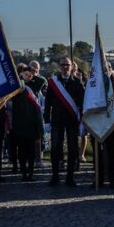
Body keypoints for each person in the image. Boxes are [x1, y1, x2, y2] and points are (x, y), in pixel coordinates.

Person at [44, 57, 85, 187]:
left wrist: (83, 119)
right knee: (55, 148)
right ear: (59, 67)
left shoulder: (77, 83)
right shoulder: (53, 83)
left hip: (72, 121)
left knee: (73, 149)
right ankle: (55, 176)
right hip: (57, 120)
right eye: (62, 65)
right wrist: (46, 120)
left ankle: (70, 177)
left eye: (67, 65)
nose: (65, 67)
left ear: (72, 67)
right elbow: (47, 102)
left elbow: (82, 102)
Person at [13, 65, 45, 181]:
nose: (28, 76)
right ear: (20, 73)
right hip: (20, 122)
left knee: (31, 151)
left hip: (32, 122)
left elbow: (43, 80)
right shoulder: (16, 86)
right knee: (21, 151)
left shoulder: (34, 85)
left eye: (29, 74)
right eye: (25, 73)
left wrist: (33, 73)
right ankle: (23, 173)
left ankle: (30, 173)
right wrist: (20, 79)